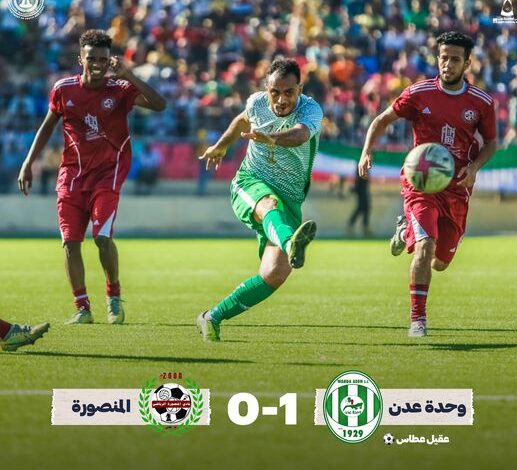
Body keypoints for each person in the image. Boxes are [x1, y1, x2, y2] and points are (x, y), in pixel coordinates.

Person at [18, 30, 166, 325]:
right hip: (71, 177)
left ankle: (113, 297)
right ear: (80, 59)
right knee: (70, 243)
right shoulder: (63, 90)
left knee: (101, 237)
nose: (97, 64)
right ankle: (82, 307)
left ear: (110, 60)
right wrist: (28, 162)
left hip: (108, 175)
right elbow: (47, 126)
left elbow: (159, 104)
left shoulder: (120, 89)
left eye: (102, 59)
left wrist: (129, 74)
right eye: (92, 58)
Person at [358, 31, 496, 337]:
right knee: (425, 245)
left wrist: (475, 167)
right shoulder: (418, 93)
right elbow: (381, 120)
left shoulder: (481, 102)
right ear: (438, 58)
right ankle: (417, 320)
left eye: (455, 59)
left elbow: (491, 143)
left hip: (457, 188)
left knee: (440, 262)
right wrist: (367, 151)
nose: (448, 64)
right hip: (420, 182)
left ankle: (404, 230)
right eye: (444, 57)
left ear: (467, 63)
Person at [197, 58, 323, 341]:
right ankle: (290, 242)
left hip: (290, 198)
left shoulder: (310, 109)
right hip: (251, 183)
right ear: (266, 88)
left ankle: (212, 317)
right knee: (268, 204)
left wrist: (271, 138)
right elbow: (242, 119)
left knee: (274, 273)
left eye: (289, 92)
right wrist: (221, 145)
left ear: (300, 89)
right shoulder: (256, 102)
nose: (281, 99)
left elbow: (301, 135)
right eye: (274, 92)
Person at [348, 166, 371, 237]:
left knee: (363, 208)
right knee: (363, 208)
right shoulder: (361, 171)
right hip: (361, 191)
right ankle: (363, 227)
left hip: (362, 191)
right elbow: (358, 182)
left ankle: (353, 224)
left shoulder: (362, 172)